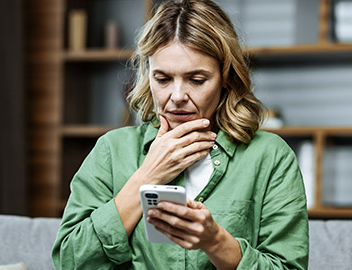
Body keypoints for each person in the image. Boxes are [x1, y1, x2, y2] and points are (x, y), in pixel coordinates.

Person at [52, 0, 309, 269]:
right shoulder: (112, 150)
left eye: (197, 80)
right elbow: (69, 261)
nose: (176, 97)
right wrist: (147, 175)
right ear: (147, 75)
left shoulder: (269, 156)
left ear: (226, 78)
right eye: (162, 79)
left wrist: (216, 242)